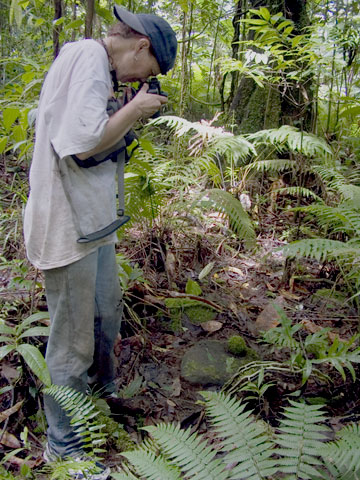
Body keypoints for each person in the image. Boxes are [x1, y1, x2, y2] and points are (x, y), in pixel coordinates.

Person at [23, 5, 177, 480]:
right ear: (140, 46)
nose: (139, 81)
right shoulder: (89, 56)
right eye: (146, 71)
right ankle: (64, 449)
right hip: (68, 226)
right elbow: (82, 144)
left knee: (105, 311)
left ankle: (95, 402)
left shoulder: (97, 65)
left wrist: (124, 108)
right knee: (71, 341)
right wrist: (134, 110)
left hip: (94, 223)